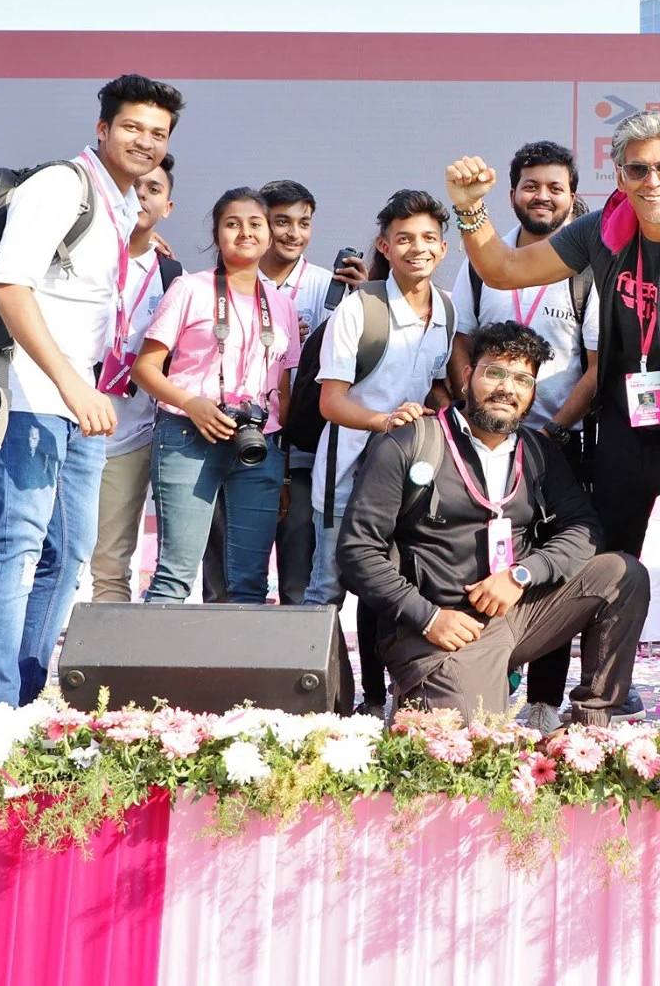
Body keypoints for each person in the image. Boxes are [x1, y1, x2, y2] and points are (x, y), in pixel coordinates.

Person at [447, 109, 660, 726]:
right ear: (618, 172)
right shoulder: (605, 229)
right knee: (604, 571)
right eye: (638, 169)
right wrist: (470, 210)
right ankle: (598, 712)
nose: (653, 182)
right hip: (620, 436)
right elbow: (503, 269)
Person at [0, 73, 181, 707]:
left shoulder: (120, 202)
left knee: (70, 552)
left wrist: (83, 390)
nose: (145, 141)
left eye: (158, 134)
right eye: (133, 127)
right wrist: (69, 385)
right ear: (102, 128)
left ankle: (26, 699)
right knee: (18, 546)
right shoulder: (62, 185)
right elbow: (9, 287)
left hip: (79, 400)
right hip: (26, 395)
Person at [338, 321, 648, 720]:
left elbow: (584, 529)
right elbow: (356, 551)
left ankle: (589, 726)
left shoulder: (538, 452)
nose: (508, 388)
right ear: (467, 377)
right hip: (438, 627)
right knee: (475, 747)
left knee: (623, 574)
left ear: (532, 393)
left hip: (515, 612)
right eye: (495, 372)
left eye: (522, 379)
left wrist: (522, 575)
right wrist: (427, 617)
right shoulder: (410, 442)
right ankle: (423, 690)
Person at [449, 140, 599, 733]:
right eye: (531, 186)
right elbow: (463, 337)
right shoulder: (483, 258)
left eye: (554, 187)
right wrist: (473, 409)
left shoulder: (586, 265)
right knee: (479, 555)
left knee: (548, 565)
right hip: (485, 438)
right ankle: (481, 677)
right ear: (512, 194)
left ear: (571, 196)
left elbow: (597, 363)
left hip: (560, 442)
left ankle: (543, 698)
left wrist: (554, 432)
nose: (542, 196)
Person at [315, 190, 457, 711]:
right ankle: (322, 708)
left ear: (443, 248)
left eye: (427, 239)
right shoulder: (359, 307)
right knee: (327, 589)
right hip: (346, 469)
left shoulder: (446, 307)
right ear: (385, 245)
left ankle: (379, 699)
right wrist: (383, 421)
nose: (417, 248)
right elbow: (331, 401)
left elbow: (437, 385)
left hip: (406, 474)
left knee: (387, 586)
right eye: (404, 239)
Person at [134, 187, 299, 604]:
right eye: (232, 224)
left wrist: (282, 464)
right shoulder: (189, 289)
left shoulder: (281, 305)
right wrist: (192, 403)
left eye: (255, 223)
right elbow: (145, 369)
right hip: (189, 434)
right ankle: (156, 670)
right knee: (175, 575)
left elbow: (282, 387)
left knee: (250, 583)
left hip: (259, 445)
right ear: (216, 234)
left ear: (268, 235)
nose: (245, 232)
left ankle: (241, 671)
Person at [259, 180, 362, 605]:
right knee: (232, 575)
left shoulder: (330, 286)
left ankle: (296, 667)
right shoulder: (231, 284)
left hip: (305, 449)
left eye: (303, 223)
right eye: (281, 221)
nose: (293, 233)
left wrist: (369, 296)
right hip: (246, 441)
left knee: (300, 581)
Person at [88, 157, 179, 602]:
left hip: (133, 434)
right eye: (134, 187)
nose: (142, 196)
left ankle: (103, 666)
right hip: (69, 425)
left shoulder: (173, 278)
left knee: (112, 559)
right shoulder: (85, 255)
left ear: (168, 206)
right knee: (49, 553)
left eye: (154, 189)